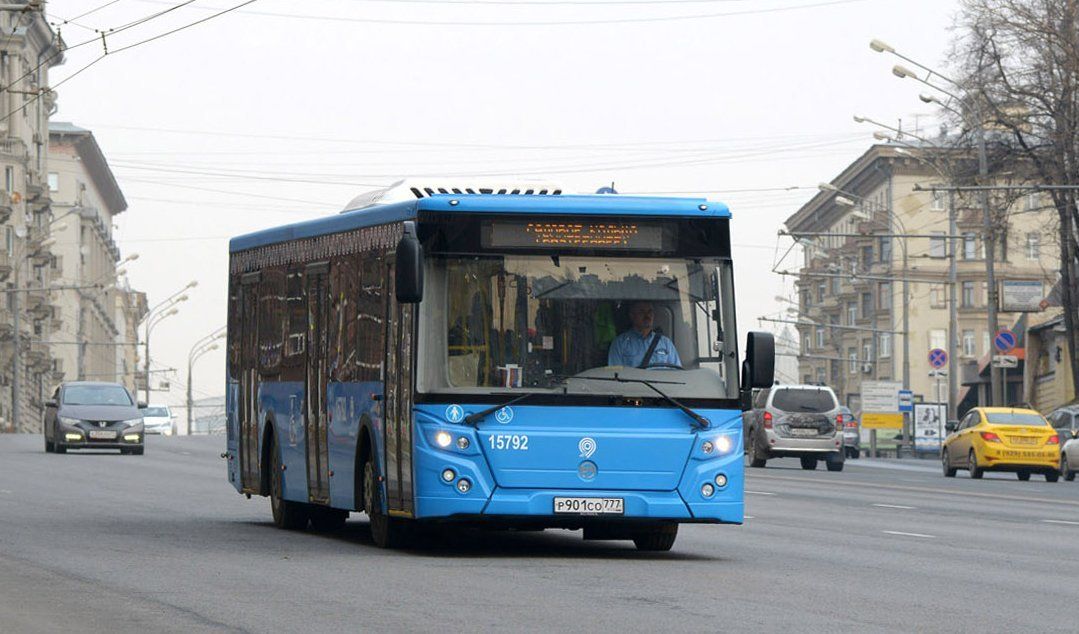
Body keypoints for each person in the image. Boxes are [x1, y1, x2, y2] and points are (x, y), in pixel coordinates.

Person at [607, 301, 682, 368]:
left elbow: (677, 372)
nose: (647, 316)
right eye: (641, 312)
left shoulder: (666, 343)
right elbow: (615, 374)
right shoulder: (620, 343)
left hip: (662, 383)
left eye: (650, 312)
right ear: (632, 315)